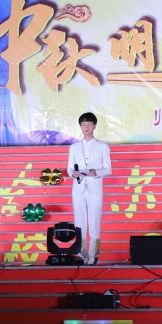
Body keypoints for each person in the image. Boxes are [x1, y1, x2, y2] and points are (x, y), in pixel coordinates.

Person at [66, 112, 112, 264]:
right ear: (80, 126)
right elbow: (69, 168)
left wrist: (95, 172)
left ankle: (93, 256)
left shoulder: (103, 146)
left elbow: (108, 169)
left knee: (94, 224)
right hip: (78, 189)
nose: (86, 127)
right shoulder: (74, 147)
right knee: (79, 224)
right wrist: (73, 174)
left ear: (95, 126)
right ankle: (81, 255)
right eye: (83, 125)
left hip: (95, 189)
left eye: (89, 125)